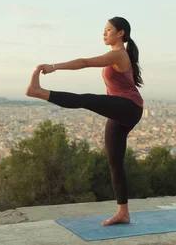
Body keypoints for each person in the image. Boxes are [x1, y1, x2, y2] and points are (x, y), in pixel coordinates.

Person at [25, 16, 144, 226]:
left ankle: (39, 92)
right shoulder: (119, 54)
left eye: (108, 29)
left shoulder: (118, 54)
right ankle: (123, 212)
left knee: (86, 99)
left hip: (129, 107)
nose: (104, 33)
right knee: (114, 163)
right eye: (104, 29)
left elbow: (85, 62)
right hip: (121, 110)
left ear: (121, 33)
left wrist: (54, 66)